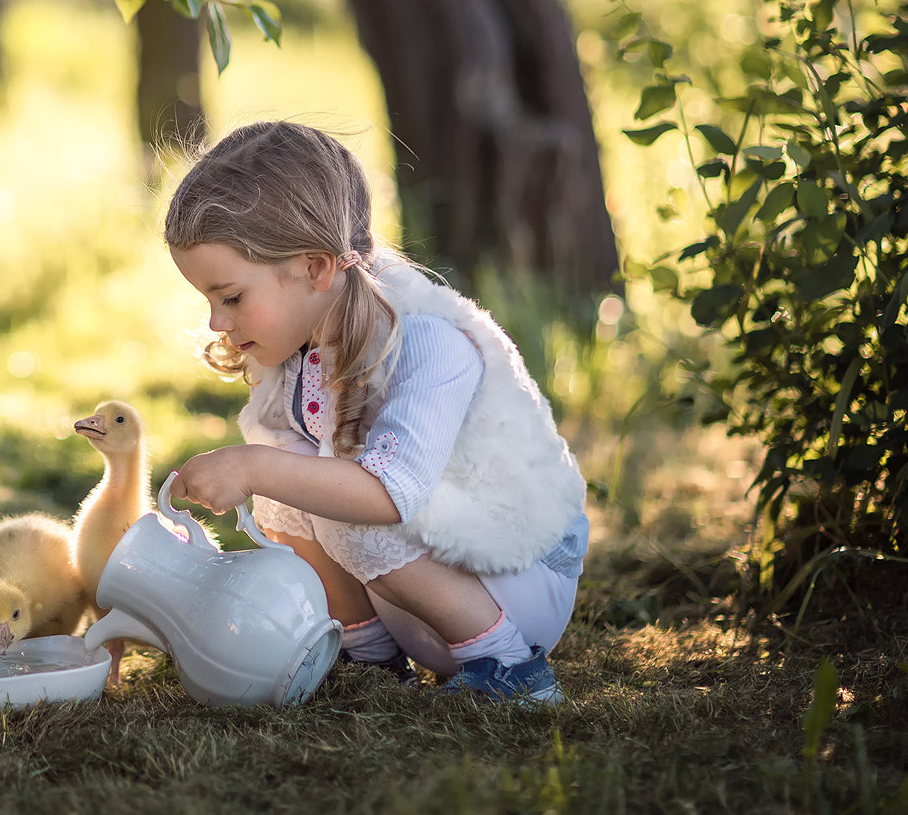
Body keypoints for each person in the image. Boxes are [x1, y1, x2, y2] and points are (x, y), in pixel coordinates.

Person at [162, 121, 589, 705]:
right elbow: (293, 475)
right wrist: (263, 472)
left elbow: (392, 494)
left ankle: (509, 667)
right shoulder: (304, 348)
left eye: (231, 297)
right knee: (291, 478)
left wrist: (253, 466)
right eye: (207, 300)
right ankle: (369, 658)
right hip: (418, 593)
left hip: (512, 581)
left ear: (316, 268)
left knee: (325, 490)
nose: (216, 322)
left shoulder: (426, 338)